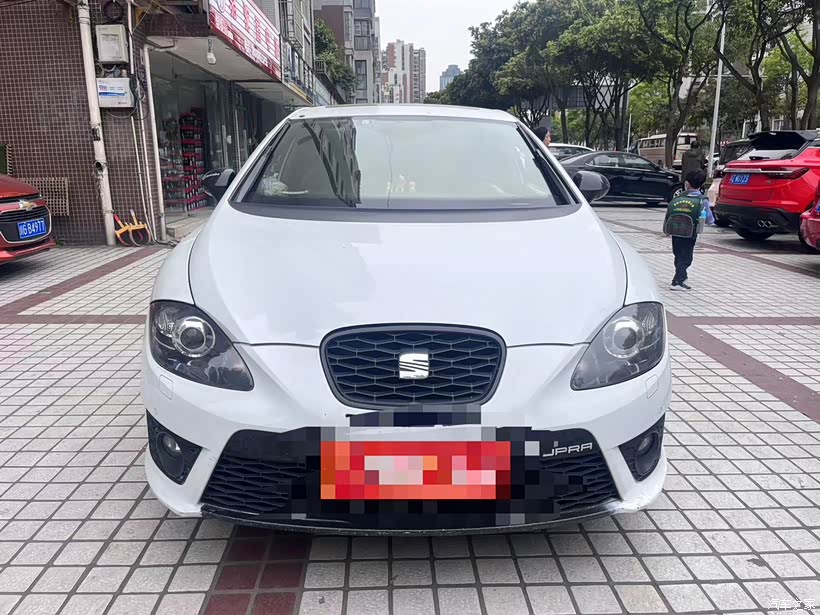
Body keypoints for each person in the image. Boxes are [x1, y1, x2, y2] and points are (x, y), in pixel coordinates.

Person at [663, 169, 713, 291]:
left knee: (678, 255)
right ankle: (678, 282)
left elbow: (668, 214)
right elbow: (709, 219)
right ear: (702, 184)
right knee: (686, 258)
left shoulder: (677, 198)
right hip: (690, 233)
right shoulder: (702, 200)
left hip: (675, 231)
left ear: (687, 183)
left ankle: (681, 277)